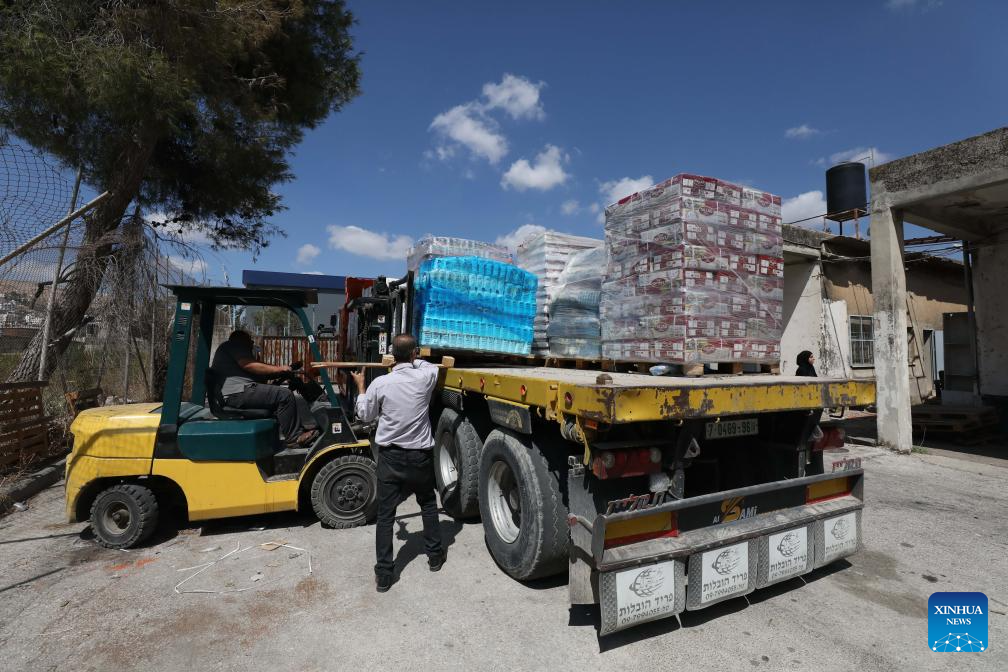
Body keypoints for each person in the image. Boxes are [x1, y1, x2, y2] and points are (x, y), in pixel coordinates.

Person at [351, 334, 445, 593]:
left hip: (390, 457)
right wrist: (411, 359)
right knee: (427, 504)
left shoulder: (380, 382)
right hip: (419, 456)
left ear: (391, 355)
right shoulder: (425, 377)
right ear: (414, 353)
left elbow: (365, 415)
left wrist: (361, 387)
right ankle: (435, 556)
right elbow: (428, 365)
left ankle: (384, 574)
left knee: (386, 516)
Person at [210, 330, 317, 445]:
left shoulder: (230, 350)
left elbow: (260, 372)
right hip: (237, 393)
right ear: (242, 340)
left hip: (239, 391)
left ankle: (296, 430)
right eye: (249, 340)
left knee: (278, 395)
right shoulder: (233, 345)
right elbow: (249, 365)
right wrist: (279, 369)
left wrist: (280, 372)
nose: (251, 343)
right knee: (284, 395)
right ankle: (294, 437)